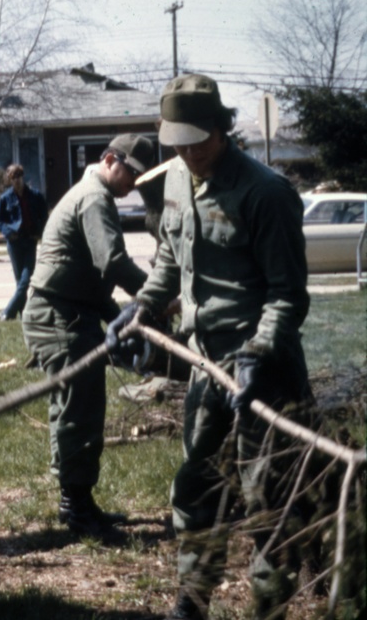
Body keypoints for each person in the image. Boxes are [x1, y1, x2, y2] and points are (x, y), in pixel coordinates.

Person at [106, 74, 313, 620]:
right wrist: (142, 308)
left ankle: (271, 606)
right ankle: (191, 602)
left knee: (270, 499)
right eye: (179, 142)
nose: (190, 152)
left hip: (264, 372)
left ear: (223, 129)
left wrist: (260, 351)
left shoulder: (265, 193)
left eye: (199, 140)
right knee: (196, 487)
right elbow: (172, 265)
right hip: (206, 366)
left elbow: (288, 296)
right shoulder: (174, 180)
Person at [21, 134, 154, 537]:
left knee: (74, 407)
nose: (133, 181)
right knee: (80, 408)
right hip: (59, 314)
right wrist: (155, 297)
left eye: (139, 176)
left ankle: (77, 503)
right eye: (130, 171)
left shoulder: (91, 193)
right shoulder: (94, 198)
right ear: (110, 159)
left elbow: (96, 280)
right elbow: (112, 263)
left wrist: (123, 319)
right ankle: (76, 509)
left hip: (69, 309)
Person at [0, 164, 48, 321]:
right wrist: (9, 233)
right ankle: (23, 313)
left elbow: (44, 216)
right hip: (14, 242)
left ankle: (8, 311)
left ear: (23, 177)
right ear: (10, 180)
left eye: (19, 177)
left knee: (27, 278)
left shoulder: (36, 196)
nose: (17, 181)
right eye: (13, 178)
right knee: (20, 280)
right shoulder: (5, 198)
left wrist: (39, 232)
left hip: (30, 240)